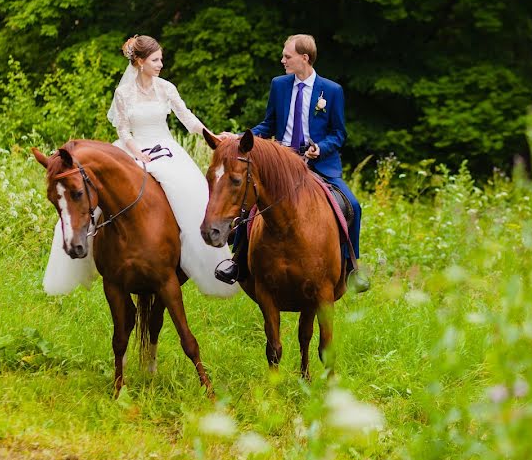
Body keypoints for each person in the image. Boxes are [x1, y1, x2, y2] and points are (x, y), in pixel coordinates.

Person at [42, 35, 238, 298]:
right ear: (140, 62)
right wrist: (138, 154)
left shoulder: (166, 88)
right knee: (97, 194)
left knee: (193, 191)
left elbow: (187, 118)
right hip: (133, 150)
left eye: (161, 60)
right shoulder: (123, 93)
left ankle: (189, 253)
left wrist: (212, 136)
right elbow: (124, 130)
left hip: (166, 149)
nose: (160, 65)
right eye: (156, 60)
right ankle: (88, 246)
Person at [220, 34, 368, 292]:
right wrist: (240, 137)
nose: (282, 60)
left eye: (287, 56)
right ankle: (238, 261)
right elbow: (268, 124)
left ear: (304, 58)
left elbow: (339, 133)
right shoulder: (279, 85)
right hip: (282, 163)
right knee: (250, 203)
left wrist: (320, 148)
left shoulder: (331, 90)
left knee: (352, 204)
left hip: (319, 164)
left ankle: (352, 267)